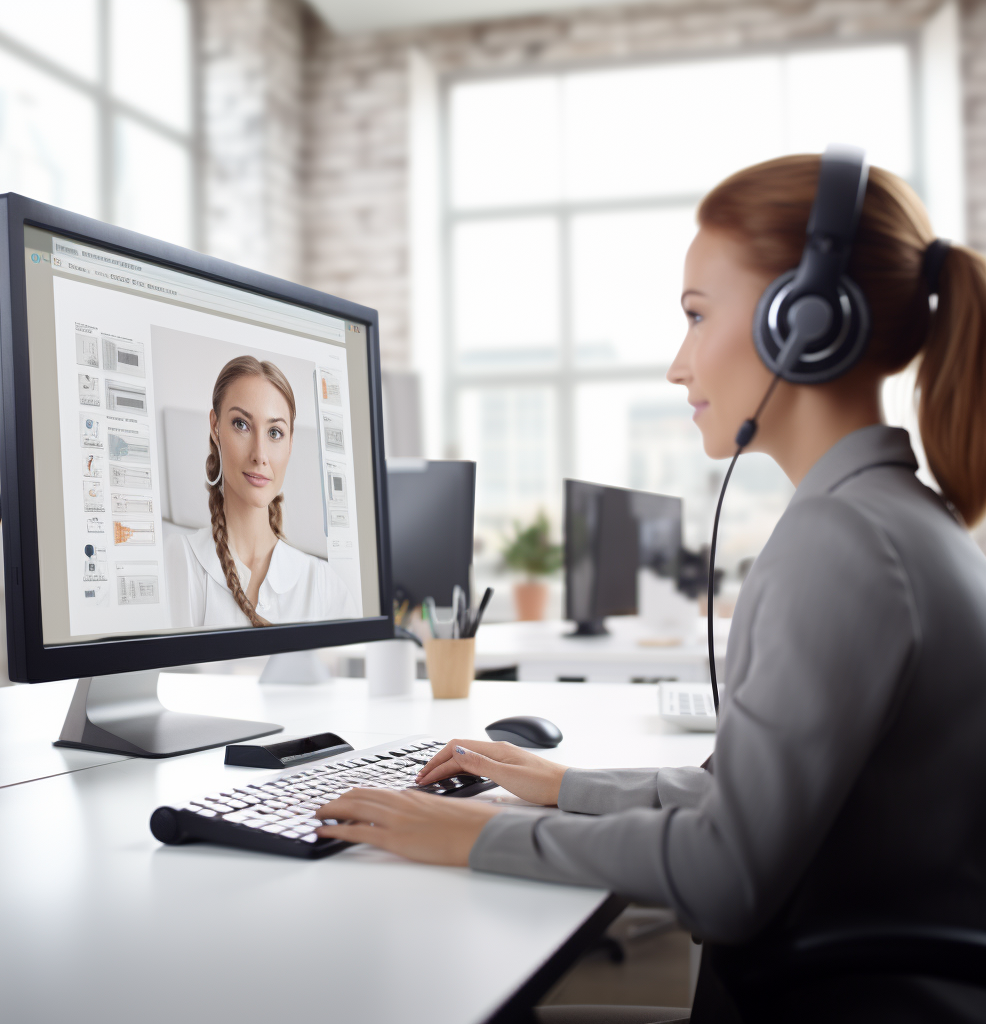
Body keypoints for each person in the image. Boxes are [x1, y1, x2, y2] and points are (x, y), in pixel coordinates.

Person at [313, 156, 986, 1023]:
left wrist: (475, 834)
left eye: (697, 316)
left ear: (804, 323)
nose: (677, 366)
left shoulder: (845, 543)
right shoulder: (899, 520)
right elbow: (749, 801)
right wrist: (563, 785)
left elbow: (729, 877)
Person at [165, 355, 357, 628]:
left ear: (290, 443)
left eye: (275, 432)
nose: (260, 455)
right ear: (215, 427)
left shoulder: (323, 585)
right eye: (241, 424)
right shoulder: (179, 560)